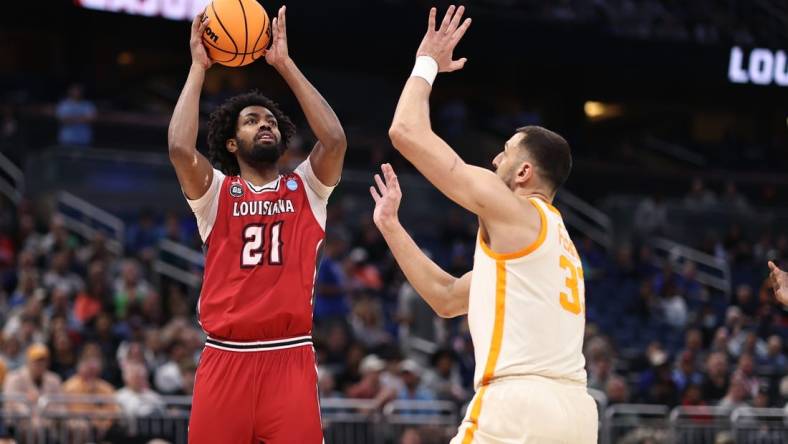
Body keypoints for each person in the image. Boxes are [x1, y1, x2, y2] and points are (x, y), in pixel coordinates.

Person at [369, 6, 597, 442]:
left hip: (519, 406)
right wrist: (392, 227)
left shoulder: (515, 211)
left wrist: (427, 63)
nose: (495, 159)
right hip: (576, 415)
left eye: (506, 151)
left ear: (525, 173)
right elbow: (446, 298)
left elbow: (406, 133)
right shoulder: (551, 244)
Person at [167, 7, 346, 443]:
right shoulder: (216, 194)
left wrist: (284, 64)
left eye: (269, 121)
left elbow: (335, 140)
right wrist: (197, 67)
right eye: (252, 121)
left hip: (289, 357)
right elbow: (178, 146)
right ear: (232, 142)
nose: (264, 124)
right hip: (225, 358)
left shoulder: (307, 188)